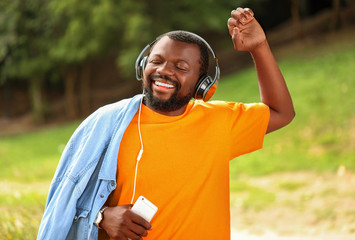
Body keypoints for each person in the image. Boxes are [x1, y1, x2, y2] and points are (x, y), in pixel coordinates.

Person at [37, 7, 294, 240]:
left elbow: (281, 112)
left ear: (203, 84)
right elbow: (64, 202)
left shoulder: (220, 120)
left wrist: (258, 47)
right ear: (143, 65)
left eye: (181, 67)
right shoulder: (107, 124)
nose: (165, 71)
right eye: (157, 61)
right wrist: (101, 217)